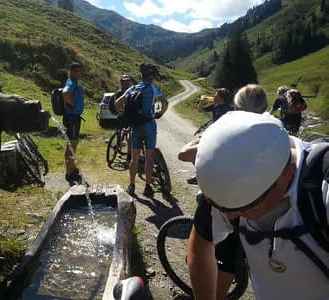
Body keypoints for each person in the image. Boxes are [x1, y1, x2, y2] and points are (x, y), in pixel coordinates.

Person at [188, 111, 329, 300]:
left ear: (286, 174)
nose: (230, 218)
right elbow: (202, 242)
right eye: (223, 209)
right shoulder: (229, 184)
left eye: (248, 209)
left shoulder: (322, 191)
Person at [178, 84, 269, 298]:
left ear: (236, 107)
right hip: (265, 206)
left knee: (208, 243)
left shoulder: (225, 129)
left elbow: (184, 155)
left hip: (229, 204)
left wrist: (200, 138)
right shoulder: (276, 130)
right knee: (232, 255)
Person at [115, 63, 168, 197]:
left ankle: (132, 186)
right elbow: (165, 103)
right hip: (149, 125)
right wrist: (159, 114)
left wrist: (127, 114)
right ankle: (147, 187)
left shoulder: (132, 88)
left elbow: (117, 104)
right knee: (149, 158)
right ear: (151, 76)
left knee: (134, 157)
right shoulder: (153, 88)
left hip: (136, 126)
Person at [62, 62, 84, 184]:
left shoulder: (73, 83)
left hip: (72, 117)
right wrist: (72, 105)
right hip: (73, 117)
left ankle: (71, 167)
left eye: (79, 70)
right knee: (73, 144)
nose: (78, 73)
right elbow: (65, 93)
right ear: (70, 71)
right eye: (75, 70)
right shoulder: (71, 83)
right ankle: (70, 173)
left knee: (71, 143)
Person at [114, 75, 135, 162]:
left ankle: (126, 152)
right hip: (123, 115)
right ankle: (118, 144)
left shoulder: (133, 91)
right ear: (122, 83)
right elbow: (118, 104)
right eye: (125, 81)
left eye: (128, 81)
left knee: (126, 133)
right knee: (122, 133)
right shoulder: (119, 92)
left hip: (128, 115)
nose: (127, 83)